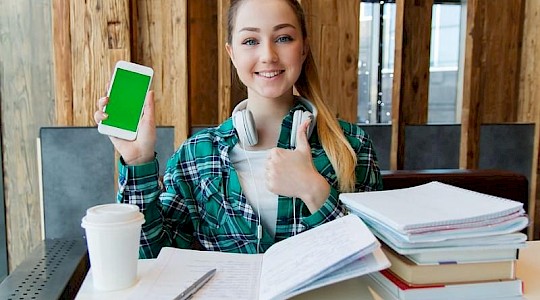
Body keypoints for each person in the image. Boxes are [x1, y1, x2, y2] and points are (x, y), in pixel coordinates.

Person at [94, 0, 382, 259]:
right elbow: (149, 256)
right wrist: (138, 161)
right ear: (232, 53)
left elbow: (376, 259)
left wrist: (314, 190)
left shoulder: (351, 145)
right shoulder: (196, 156)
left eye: (283, 38)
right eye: (250, 41)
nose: (268, 55)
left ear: (303, 47)